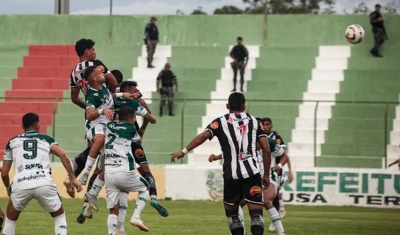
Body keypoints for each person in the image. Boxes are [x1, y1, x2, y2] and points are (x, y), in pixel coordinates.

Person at [171, 92, 271, 235]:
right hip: (252, 173)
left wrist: (183, 151)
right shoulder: (254, 121)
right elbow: (266, 149)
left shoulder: (220, 122)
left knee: (232, 214)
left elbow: (204, 136)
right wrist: (266, 174)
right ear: (244, 106)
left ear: (227, 106)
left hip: (231, 174)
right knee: (256, 214)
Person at [1, 113, 83, 235]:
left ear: (22, 126)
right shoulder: (46, 139)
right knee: (59, 217)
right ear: (38, 125)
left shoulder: (12, 142)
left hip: (21, 184)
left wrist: (8, 188)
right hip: (43, 183)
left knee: (10, 221)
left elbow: (4, 173)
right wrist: (73, 178)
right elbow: (63, 155)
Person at [67, 38, 118, 223]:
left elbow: (74, 98)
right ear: (86, 51)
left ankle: (76, 175)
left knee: (98, 153)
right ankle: (88, 193)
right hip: (105, 116)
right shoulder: (94, 65)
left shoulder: (73, 73)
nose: (95, 52)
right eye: (93, 49)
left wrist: (89, 106)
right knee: (106, 158)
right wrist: (108, 98)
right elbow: (112, 80)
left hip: (95, 114)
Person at [78, 66, 137, 215]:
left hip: (107, 126)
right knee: (100, 140)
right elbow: (89, 115)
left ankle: (92, 194)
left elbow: (111, 97)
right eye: (99, 73)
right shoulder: (91, 95)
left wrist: (124, 94)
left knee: (109, 165)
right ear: (93, 79)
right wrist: (102, 111)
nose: (102, 74)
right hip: (95, 126)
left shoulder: (104, 88)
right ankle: (85, 173)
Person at [208, 136, 288, 235]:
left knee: (266, 201)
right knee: (235, 207)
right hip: (251, 180)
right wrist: (216, 157)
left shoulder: (269, 142)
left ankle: (281, 232)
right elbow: (232, 153)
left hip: (268, 178)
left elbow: (285, 156)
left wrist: (279, 165)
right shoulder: (243, 141)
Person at [105, 106, 151, 233]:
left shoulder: (108, 126)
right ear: (130, 118)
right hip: (124, 169)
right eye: (135, 118)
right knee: (145, 188)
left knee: (113, 209)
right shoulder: (131, 128)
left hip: (109, 172)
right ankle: (136, 217)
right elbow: (138, 141)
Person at [262, 118, 293, 223]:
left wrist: (289, 170)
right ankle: (278, 212)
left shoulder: (276, 138)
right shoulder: (258, 137)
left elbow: (284, 154)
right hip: (263, 170)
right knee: (269, 196)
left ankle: (278, 214)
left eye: (267, 125)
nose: (265, 127)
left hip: (276, 170)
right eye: (263, 125)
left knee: (274, 193)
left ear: (271, 126)